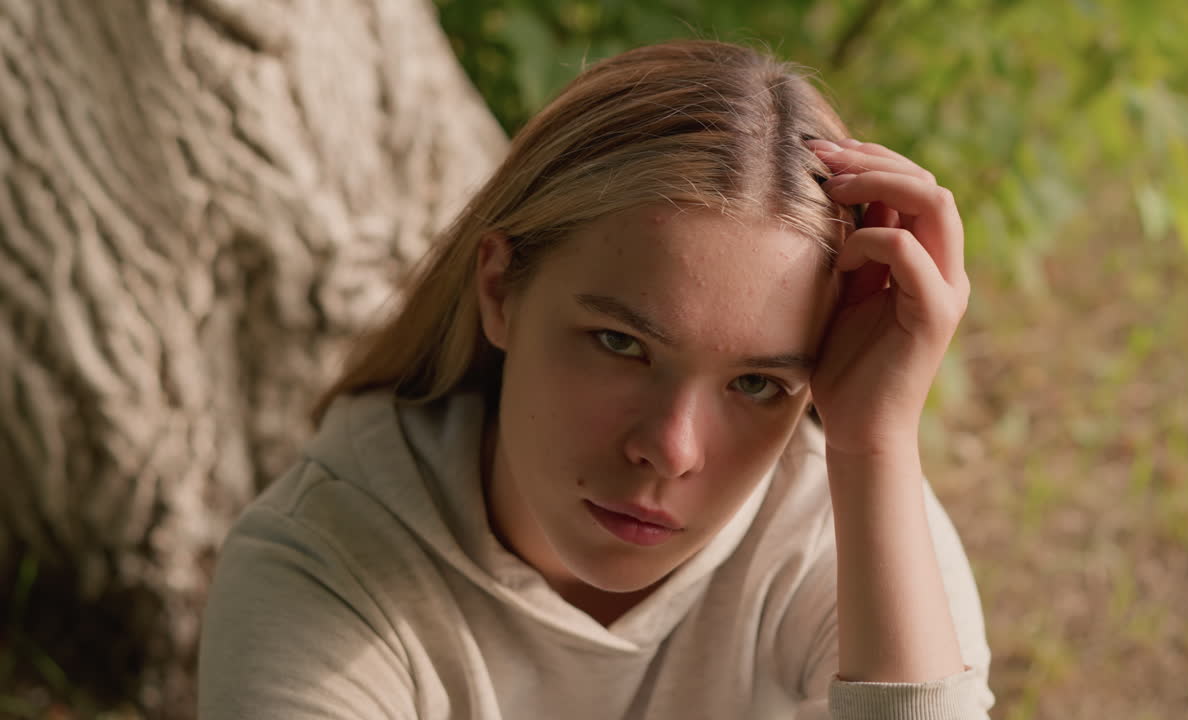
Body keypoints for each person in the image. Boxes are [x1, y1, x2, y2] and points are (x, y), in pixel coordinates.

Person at [197, 39, 994, 719]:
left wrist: (875, 447)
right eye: (621, 343)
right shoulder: (321, 567)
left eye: (756, 384)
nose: (671, 449)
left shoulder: (840, 530)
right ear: (499, 289)